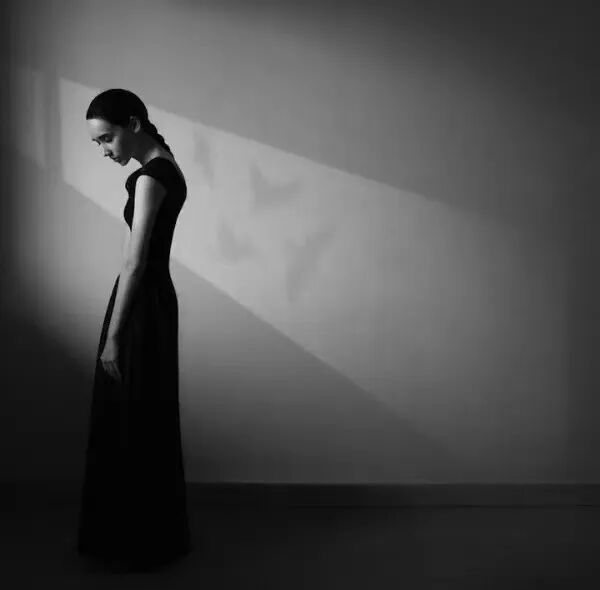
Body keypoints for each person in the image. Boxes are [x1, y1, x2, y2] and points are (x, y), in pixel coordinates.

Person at [76, 88, 192, 572]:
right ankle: (150, 537)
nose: (104, 151)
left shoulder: (149, 178)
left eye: (107, 138)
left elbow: (135, 260)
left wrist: (114, 336)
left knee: (128, 414)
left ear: (134, 125)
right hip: (156, 300)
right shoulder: (169, 167)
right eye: (98, 143)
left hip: (141, 303)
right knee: (147, 412)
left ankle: (128, 543)